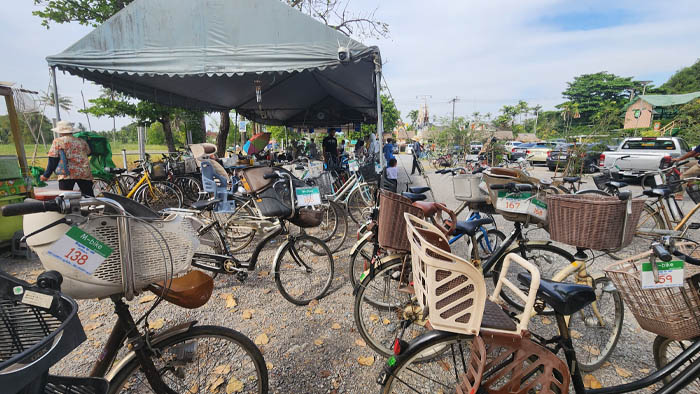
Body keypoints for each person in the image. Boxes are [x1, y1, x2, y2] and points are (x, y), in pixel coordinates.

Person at [40, 121, 94, 196]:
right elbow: (88, 152)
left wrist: (46, 175)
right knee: (89, 196)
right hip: (84, 172)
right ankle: (92, 207)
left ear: (60, 132)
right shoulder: (81, 141)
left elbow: (53, 160)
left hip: (66, 174)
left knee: (65, 197)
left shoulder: (58, 141)